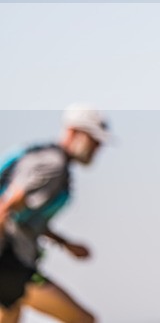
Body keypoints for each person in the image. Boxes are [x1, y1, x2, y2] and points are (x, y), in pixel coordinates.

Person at [0, 105, 109, 323]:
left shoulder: (46, 158)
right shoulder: (52, 165)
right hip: (12, 264)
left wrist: (65, 243)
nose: (97, 149)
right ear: (73, 132)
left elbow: (26, 219)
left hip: (16, 263)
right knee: (84, 320)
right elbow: (5, 207)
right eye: (93, 140)